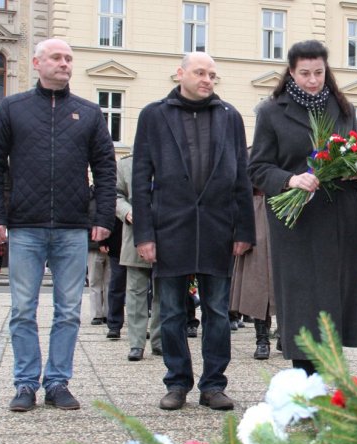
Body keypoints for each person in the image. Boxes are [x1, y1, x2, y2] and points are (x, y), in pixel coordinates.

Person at [0, 38, 116, 412]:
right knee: (23, 309)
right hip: (24, 226)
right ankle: (25, 383)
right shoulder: (12, 108)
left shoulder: (89, 113)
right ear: (37, 63)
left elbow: (105, 168)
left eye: (69, 58)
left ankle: (58, 381)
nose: (64, 63)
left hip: (73, 228)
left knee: (69, 310)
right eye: (56, 57)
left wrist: (103, 217)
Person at [132, 51, 254, 412]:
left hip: (218, 228)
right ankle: (177, 382)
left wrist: (244, 229)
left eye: (212, 75)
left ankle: (214, 385)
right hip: (170, 228)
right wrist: (144, 234)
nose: (207, 80)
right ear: (180, 73)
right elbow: (141, 179)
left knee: (217, 311)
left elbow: (241, 178)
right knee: (171, 312)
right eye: (200, 72)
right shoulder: (154, 115)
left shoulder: (230, 116)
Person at [248, 40, 357, 376]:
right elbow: (257, 167)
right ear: (291, 72)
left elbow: (354, 151)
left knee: (333, 301)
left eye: (319, 72)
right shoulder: (271, 111)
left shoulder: (344, 108)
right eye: (305, 73)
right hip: (296, 222)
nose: (313, 80)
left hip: (338, 217)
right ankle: (303, 379)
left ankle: (325, 377)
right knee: (302, 302)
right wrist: (290, 180)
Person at [115, 154, 162, 361]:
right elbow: (116, 195)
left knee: (165, 291)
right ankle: (136, 343)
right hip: (135, 234)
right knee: (135, 292)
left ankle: (160, 341)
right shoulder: (126, 164)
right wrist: (126, 212)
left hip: (166, 232)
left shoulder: (170, 156)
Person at [229, 185, 277, 360]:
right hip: (257, 208)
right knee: (259, 277)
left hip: (290, 205)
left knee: (290, 277)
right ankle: (262, 339)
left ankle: (287, 334)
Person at [87, 186, 111, 325]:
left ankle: (108, 312)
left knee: (109, 282)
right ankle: (97, 314)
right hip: (93, 245)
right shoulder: (89, 198)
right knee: (95, 281)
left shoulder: (109, 195)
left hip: (109, 245)